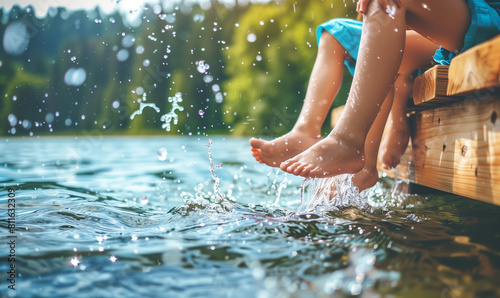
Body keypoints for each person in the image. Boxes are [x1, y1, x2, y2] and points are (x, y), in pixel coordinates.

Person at [253, 0, 500, 184]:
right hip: (448, 25)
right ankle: (309, 133)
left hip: (487, 16)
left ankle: (347, 141)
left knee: (387, 3)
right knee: (336, 32)